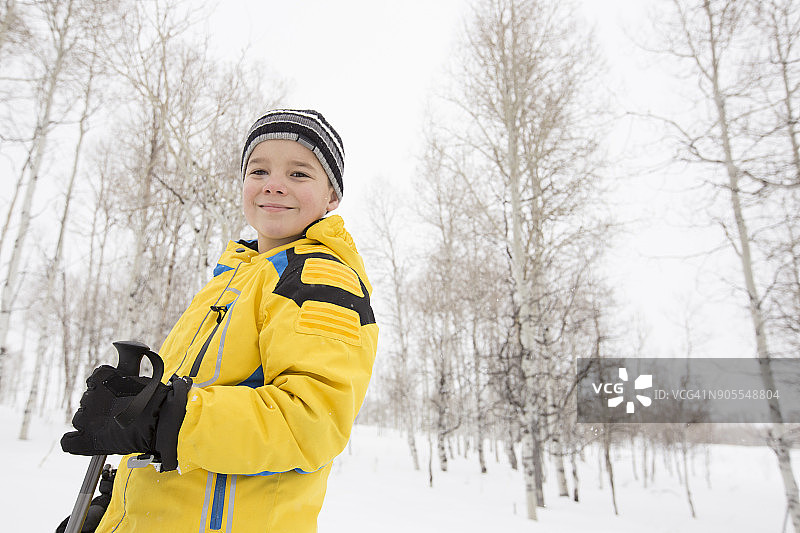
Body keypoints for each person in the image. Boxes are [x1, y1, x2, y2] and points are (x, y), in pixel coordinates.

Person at [59, 109, 379, 532]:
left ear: (331, 197)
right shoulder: (232, 279)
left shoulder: (319, 277)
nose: (274, 184)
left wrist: (161, 416)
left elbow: (310, 423)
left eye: (299, 174)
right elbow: (186, 414)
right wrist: (116, 507)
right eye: (258, 169)